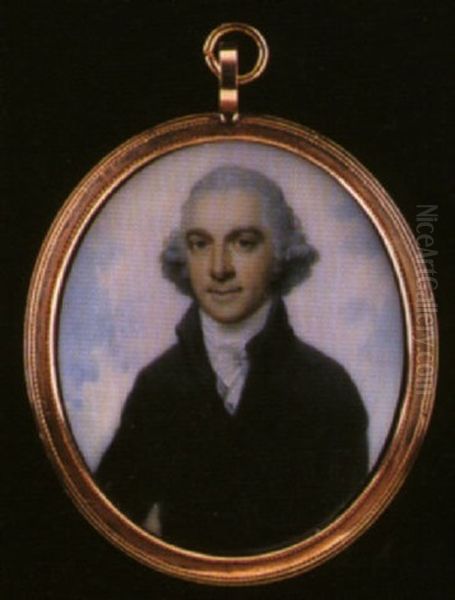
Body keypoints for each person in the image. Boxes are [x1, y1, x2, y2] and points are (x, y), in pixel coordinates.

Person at [95, 165, 369, 555]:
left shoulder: (327, 390)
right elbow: (105, 534)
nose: (219, 268)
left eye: (243, 242)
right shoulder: (157, 387)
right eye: (200, 243)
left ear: (281, 252)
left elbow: (350, 550)